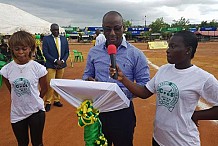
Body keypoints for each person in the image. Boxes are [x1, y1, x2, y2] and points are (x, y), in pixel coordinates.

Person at [110, 30, 218, 146]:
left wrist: (196, 115)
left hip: (183, 141)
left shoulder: (203, 78)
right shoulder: (164, 70)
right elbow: (144, 92)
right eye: (168, 46)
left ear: (188, 50)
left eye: (173, 47)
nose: (167, 50)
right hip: (159, 139)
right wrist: (123, 78)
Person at [83, 11, 150, 146]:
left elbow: (144, 86)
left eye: (117, 28)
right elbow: (86, 76)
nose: (112, 33)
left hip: (123, 113)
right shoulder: (94, 52)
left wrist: (121, 89)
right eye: (108, 29)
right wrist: (90, 82)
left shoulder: (136, 54)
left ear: (123, 28)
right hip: (99, 113)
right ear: (103, 29)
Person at [0, 30, 48, 146]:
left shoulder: (39, 68)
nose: (20, 52)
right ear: (12, 49)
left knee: (37, 143)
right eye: (17, 49)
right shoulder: (6, 70)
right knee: (22, 143)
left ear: (30, 48)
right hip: (17, 112)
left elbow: (45, 88)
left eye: (24, 48)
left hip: (36, 111)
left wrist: (35, 99)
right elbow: (12, 90)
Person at [42, 23, 69, 112]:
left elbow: (67, 52)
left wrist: (62, 61)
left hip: (61, 65)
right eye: (54, 30)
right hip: (51, 65)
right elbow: (45, 52)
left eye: (57, 30)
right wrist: (54, 61)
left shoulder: (64, 39)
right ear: (51, 30)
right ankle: (48, 102)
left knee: (58, 84)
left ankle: (57, 100)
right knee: (50, 83)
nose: (56, 32)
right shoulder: (46, 39)